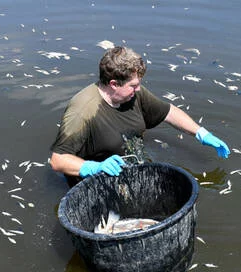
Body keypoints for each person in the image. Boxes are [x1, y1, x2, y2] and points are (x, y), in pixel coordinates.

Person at [50, 46, 230, 187]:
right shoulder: (83, 111)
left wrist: (201, 133)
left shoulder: (134, 94)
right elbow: (58, 160)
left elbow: (168, 112)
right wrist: (93, 168)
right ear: (113, 84)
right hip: (94, 179)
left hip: (128, 167)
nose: (138, 90)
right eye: (133, 85)